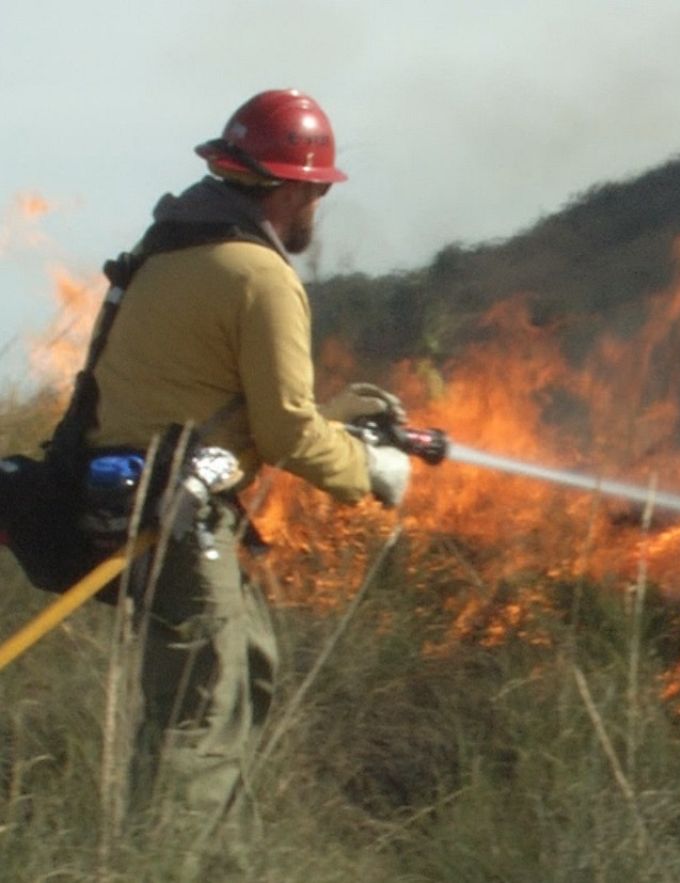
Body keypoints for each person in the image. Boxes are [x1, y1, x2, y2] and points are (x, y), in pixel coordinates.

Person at [82, 89, 411, 857]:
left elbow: (221, 404)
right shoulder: (261, 277)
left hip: (136, 496)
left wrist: (339, 423)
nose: (318, 208)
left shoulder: (172, 252)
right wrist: (369, 468)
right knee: (199, 711)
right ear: (292, 189)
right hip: (177, 518)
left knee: (249, 663)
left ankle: (222, 858)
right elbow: (285, 430)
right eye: (318, 191)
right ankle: (167, 865)